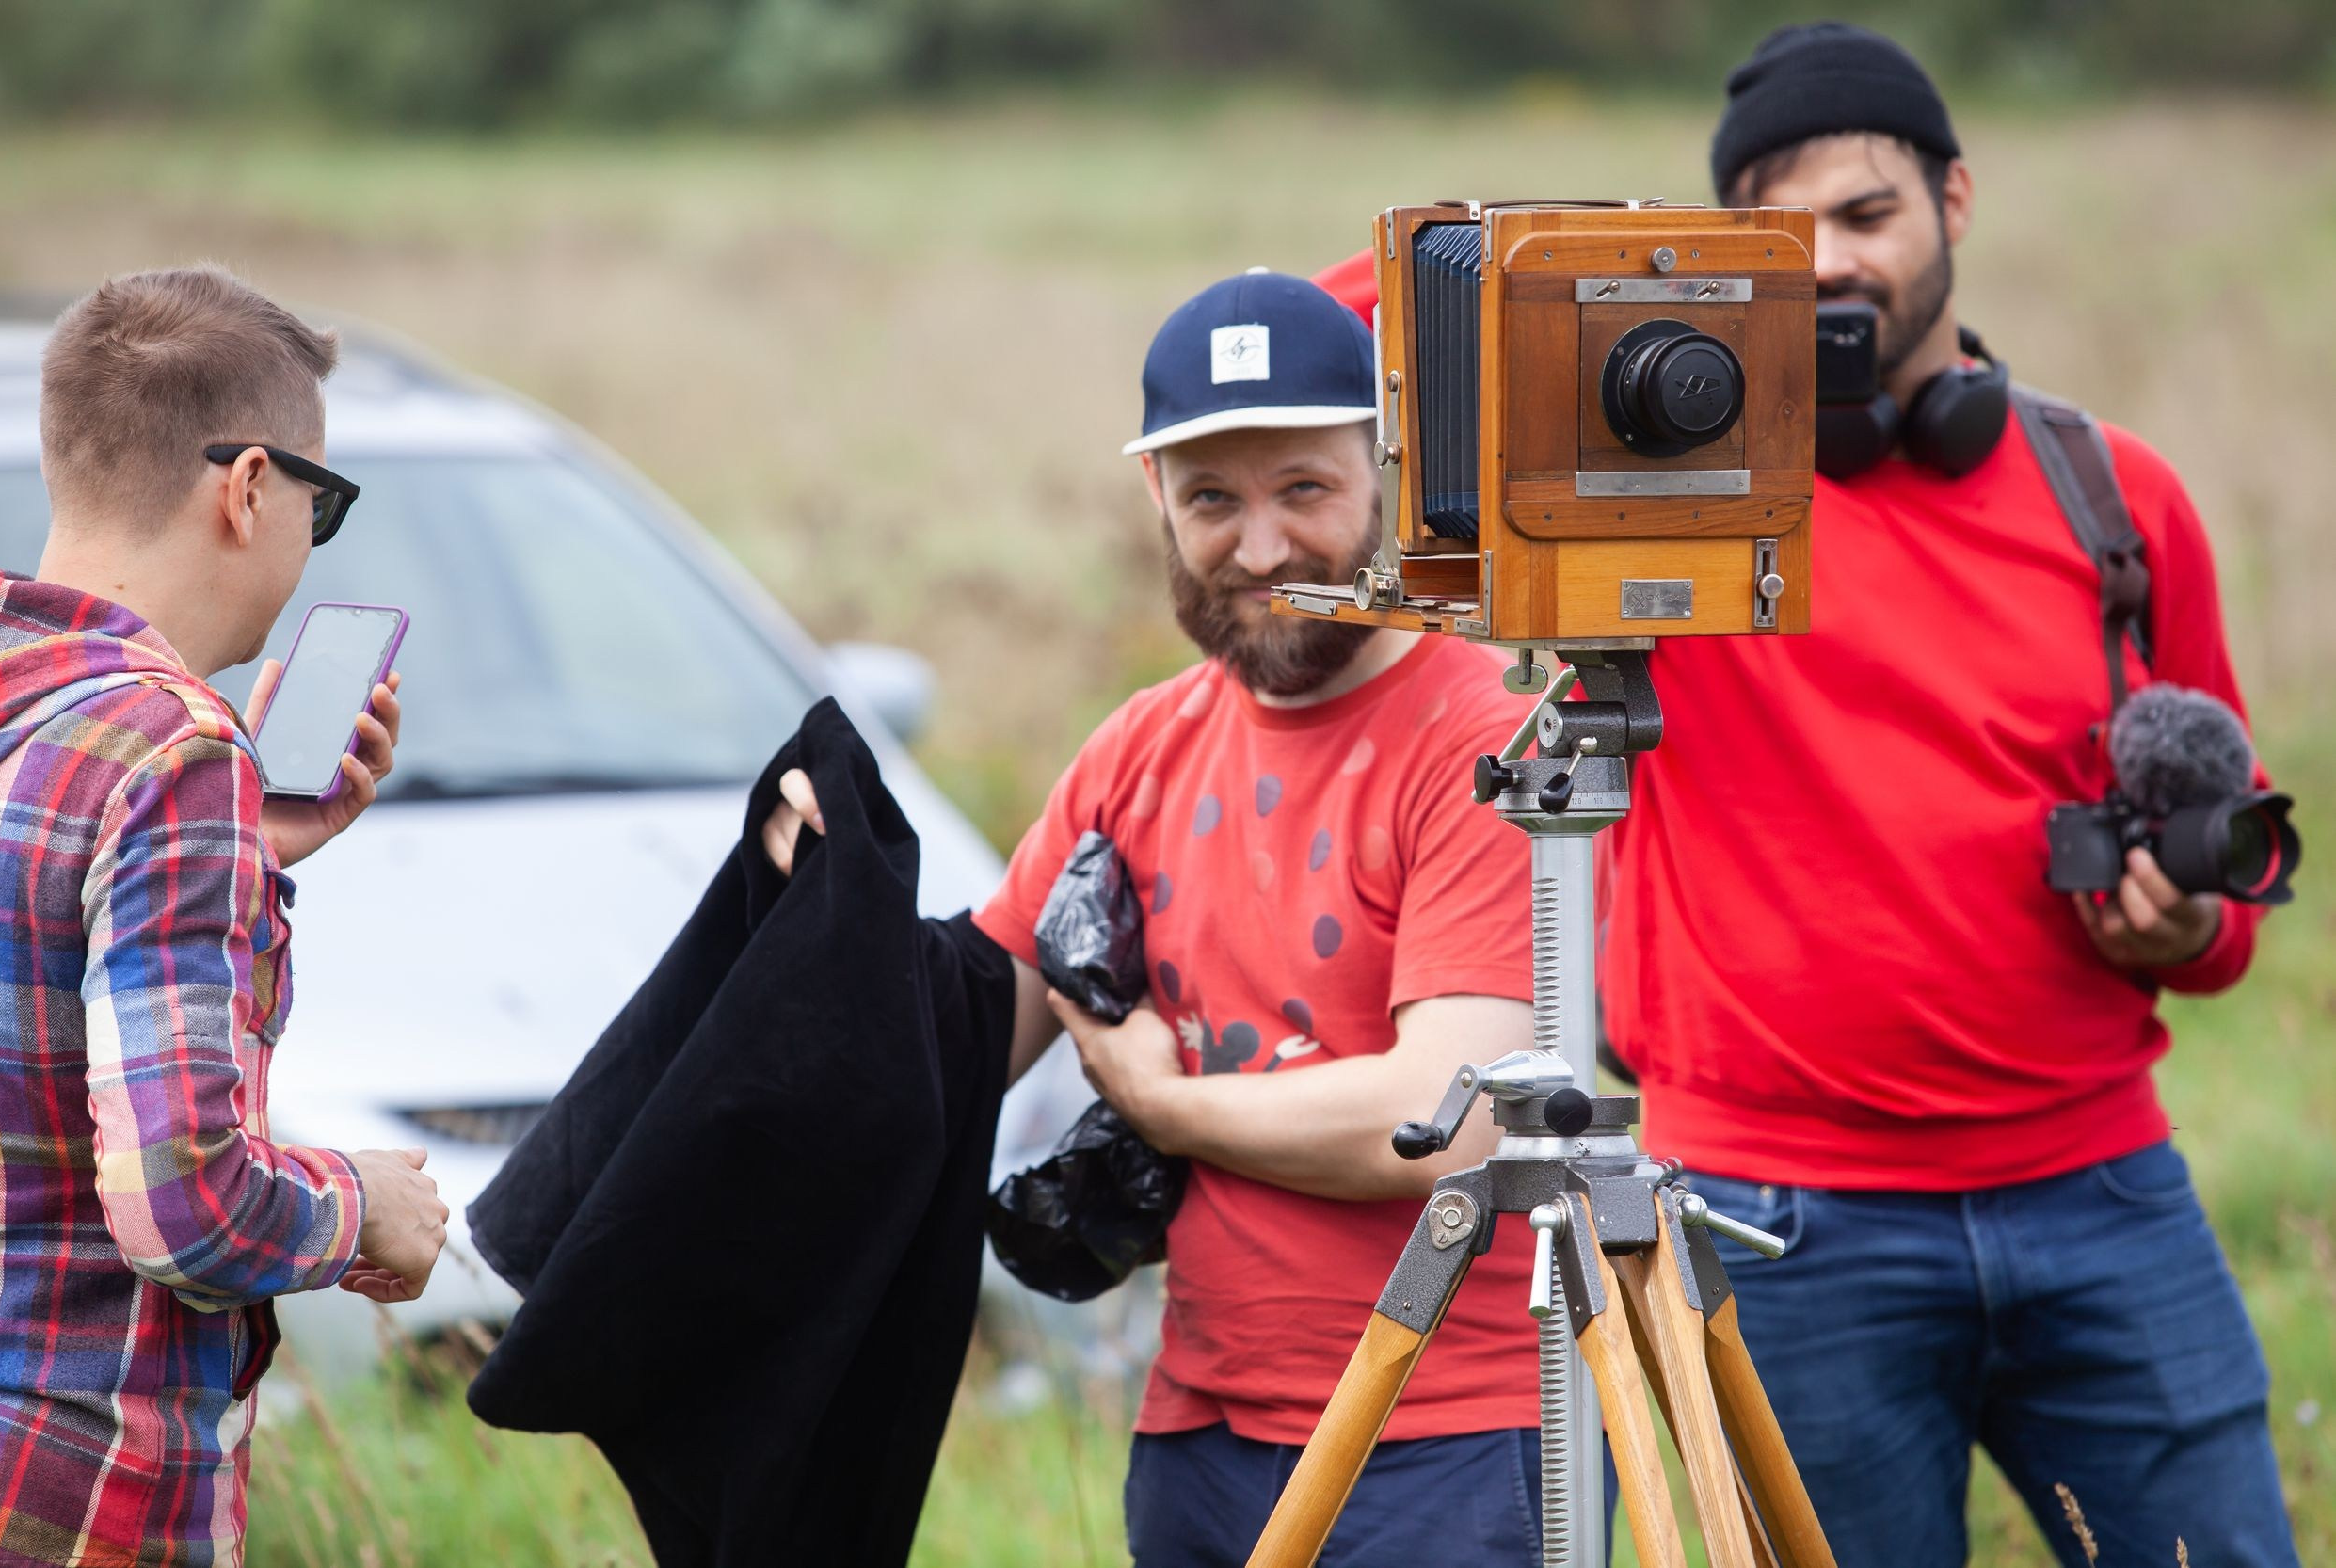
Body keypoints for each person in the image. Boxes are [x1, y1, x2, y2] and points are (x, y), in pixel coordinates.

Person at [1587, 24, 2295, 1566]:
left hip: (2102, 1191)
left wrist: (2181, 932)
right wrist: (1607, 286)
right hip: (1779, 1220)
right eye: (1779, 233)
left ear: (1956, 201)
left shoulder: (2115, 498)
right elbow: (1357, 330)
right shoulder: (1670, 513)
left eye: (1866, 214)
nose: (1828, 263)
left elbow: (2227, 909)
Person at [765, 271, 1556, 1563]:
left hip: (1444, 1444)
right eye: (1212, 501)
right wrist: (828, 902)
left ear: (1390, 474)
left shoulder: (1489, 740)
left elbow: (1442, 1121)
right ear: (1157, 503)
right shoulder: (1142, 744)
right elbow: (961, 1032)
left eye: (1305, 489)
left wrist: (1168, 1104)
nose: (1260, 550)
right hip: (1197, 1432)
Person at [0, 266, 448, 1568]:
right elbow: (187, 1204)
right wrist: (368, 1206)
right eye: (322, 503)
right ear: (247, 488)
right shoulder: (174, 753)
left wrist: (249, 853)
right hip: (74, 1493)